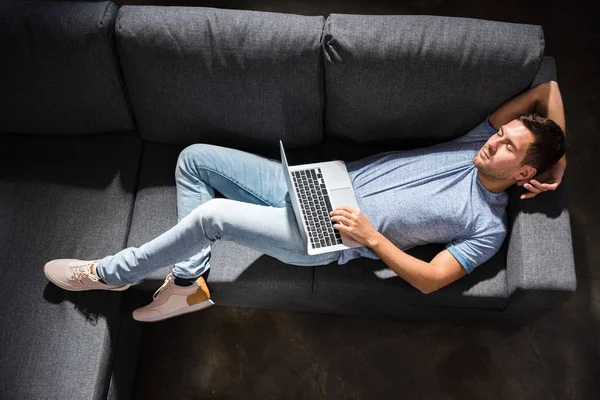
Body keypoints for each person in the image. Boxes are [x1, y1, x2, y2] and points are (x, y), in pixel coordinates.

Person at [43, 80, 567, 322]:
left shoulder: (488, 227)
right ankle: (188, 282)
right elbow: (548, 87)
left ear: (523, 171)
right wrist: (560, 164)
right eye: (501, 133)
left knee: (211, 215)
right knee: (195, 158)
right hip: (318, 182)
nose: (493, 141)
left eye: (507, 147)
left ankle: (110, 274)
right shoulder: (472, 143)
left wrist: (370, 237)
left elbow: (430, 281)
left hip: (328, 237)